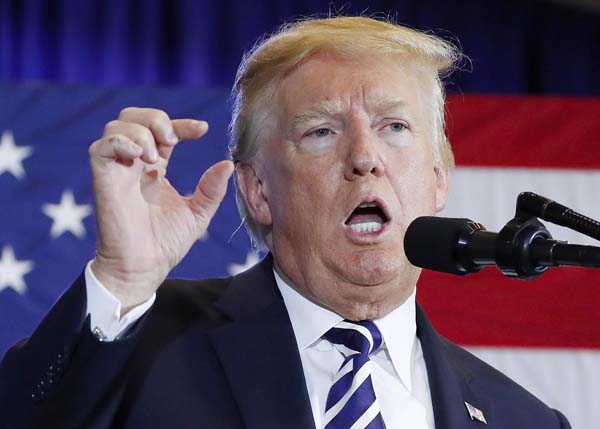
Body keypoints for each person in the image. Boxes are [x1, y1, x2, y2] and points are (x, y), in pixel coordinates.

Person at [0, 16, 570, 429]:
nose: (364, 156)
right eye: (321, 131)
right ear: (258, 191)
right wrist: (121, 278)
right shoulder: (143, 349)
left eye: (394, 127)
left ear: (439, 178)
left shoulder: (523, 418)